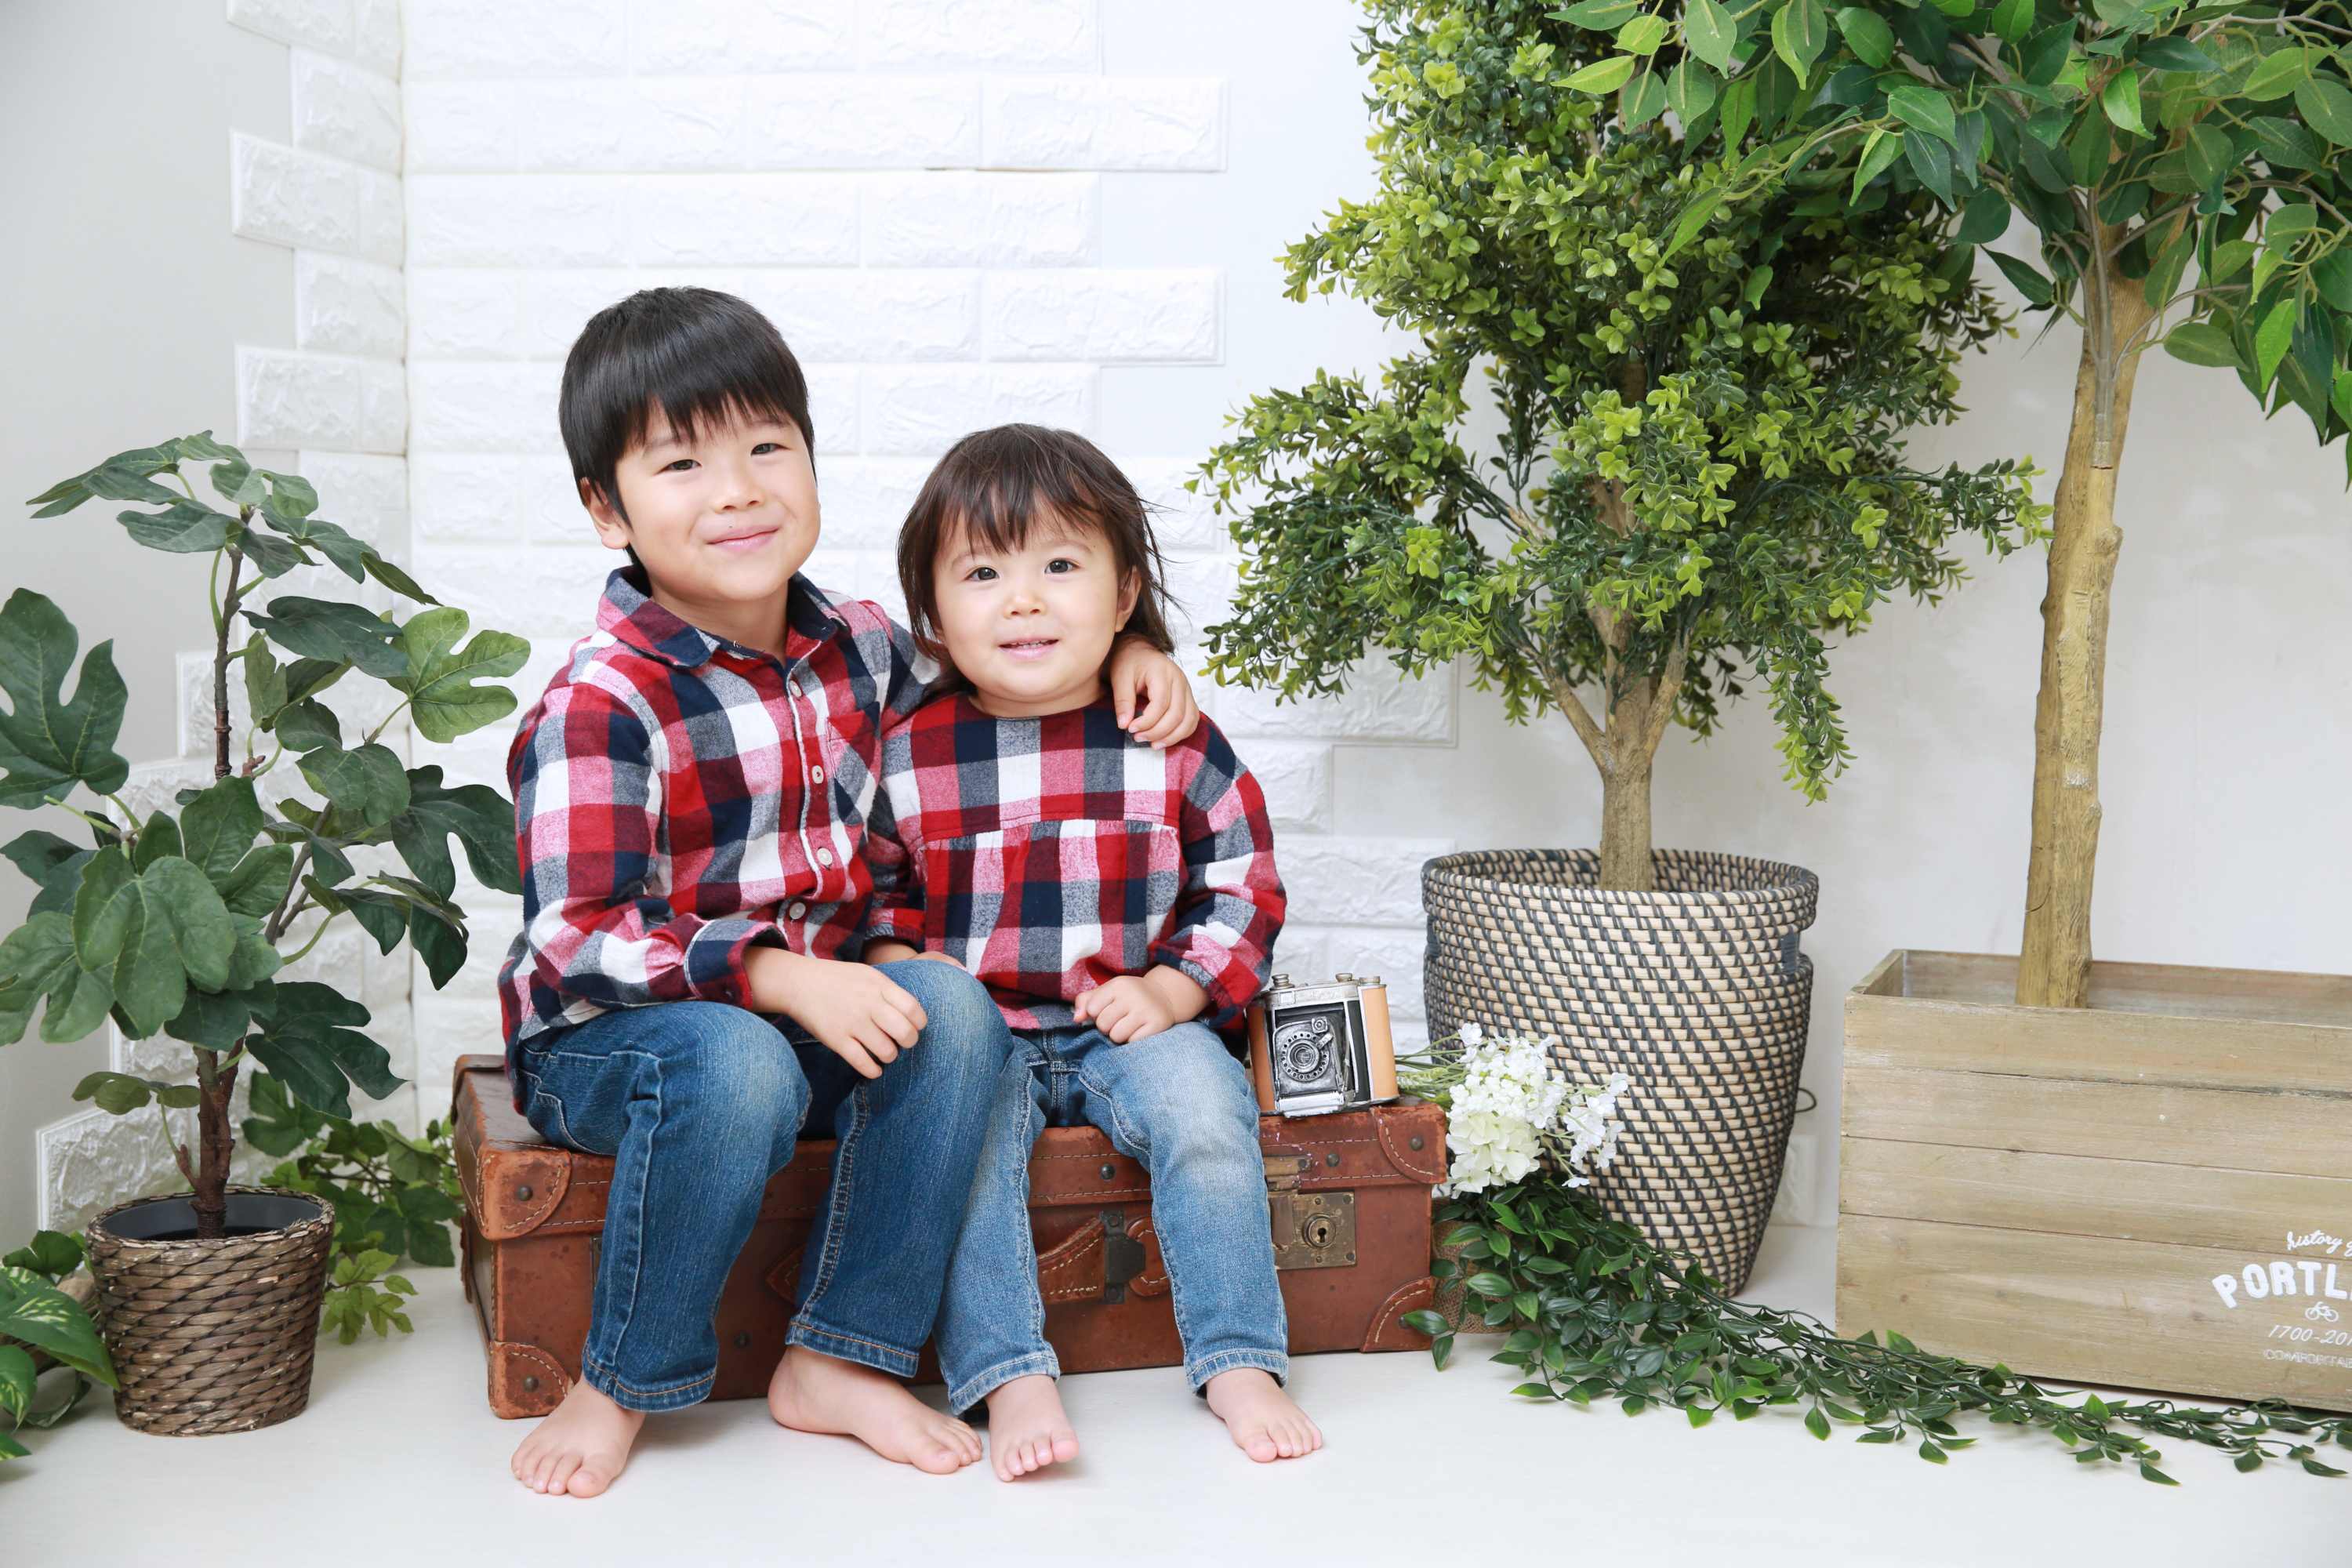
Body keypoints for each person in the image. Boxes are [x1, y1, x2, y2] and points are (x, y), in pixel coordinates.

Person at [499, 292, 1200, 1498]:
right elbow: (578, 938)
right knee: (737, 1062)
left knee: (951, 1007)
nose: (737, 490)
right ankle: (618, 1379)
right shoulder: (601, 703)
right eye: (682, 463)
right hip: (620, 1047)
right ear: (606, 508)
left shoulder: (863, 648)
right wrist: (778, 975)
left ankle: (837, 1356)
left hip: (809, 1021)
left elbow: (1008, 659)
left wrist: (1129, 649)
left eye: (768, 446)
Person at [862, 424, 1319, 1481]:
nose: (1023, 600)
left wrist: (1175, 987)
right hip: (975, 1041)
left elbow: (1243, 884)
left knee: (1208, 1115)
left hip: (1129, 1021)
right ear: (933, 618)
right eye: (984, 574)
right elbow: (871, 899)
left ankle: (1239, 1358)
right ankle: (1007, 1371)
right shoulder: (907, 756)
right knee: (962, 1159)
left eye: (1061, 566)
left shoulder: (1168, 739)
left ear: (1123, 600)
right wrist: (903, 978)